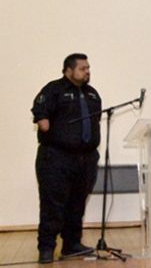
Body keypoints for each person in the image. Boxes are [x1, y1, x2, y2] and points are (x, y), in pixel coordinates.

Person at [31, 53, 102, 264]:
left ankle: (72, 245)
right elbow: (41, 113)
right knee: (53, 206)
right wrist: (46, 123)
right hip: (56, 158)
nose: (87, 72)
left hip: (86, 159)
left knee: (77, 204)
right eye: (82, 68)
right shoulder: (54, 89)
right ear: (69, 70)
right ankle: (46, 248)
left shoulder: (92, 94)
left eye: (88, 68)